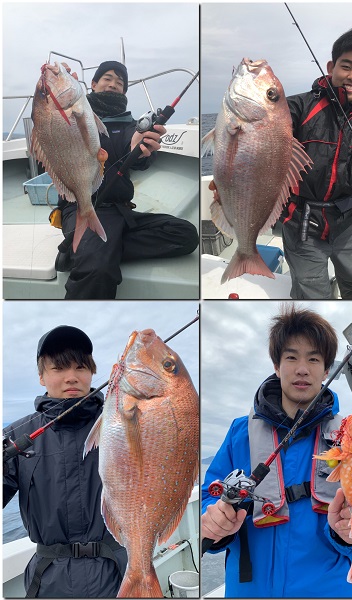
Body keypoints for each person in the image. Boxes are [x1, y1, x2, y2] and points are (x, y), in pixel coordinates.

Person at [202, 306, 352, 598]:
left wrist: (350, 534)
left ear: (327, 370)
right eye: (291, 357)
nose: (302, 369)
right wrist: (213, 522)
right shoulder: (240, 432)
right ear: (276, 365)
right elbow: (209, 495)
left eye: (314, 359)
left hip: (328, 589)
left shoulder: (350, 437)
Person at [55, 60, 199, 299]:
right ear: (93, 84)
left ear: (124, 91)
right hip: (80, 205)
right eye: (107, 78)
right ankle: (93, 250)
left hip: (120, 211)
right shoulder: (74, 115)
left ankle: (89, 248)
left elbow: (137, 154)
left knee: (185, 234)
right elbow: (51, 126)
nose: (113, 84)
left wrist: (139, 151)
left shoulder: (130, 125)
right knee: (97, 270)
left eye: (119, 82)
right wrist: (61, 87)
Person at [3, 326, 127, 598]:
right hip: (48, 582)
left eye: (81, 367)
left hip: (117, 575)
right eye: (58, 368)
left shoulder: (122, 423)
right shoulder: (14, 436)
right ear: (41, 376)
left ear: (92, 372)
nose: (72, 377)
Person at [280, 29, 352, 299]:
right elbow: (263, 130)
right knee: (312, 294)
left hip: (347, 224)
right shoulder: (297, 108)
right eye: (346, 66)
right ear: (331, 67)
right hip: (301, 224)